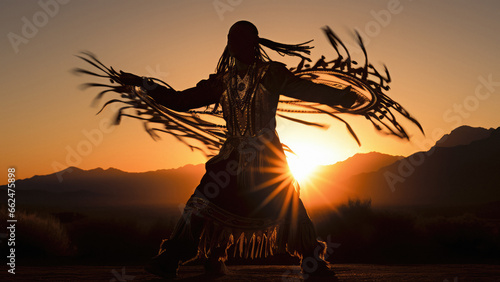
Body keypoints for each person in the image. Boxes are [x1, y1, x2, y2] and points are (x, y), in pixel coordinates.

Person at [119, 20, 357, 278]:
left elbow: (307, 89)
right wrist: (144, 83)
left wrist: (341, 97)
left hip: (267, 159)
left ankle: (313, 265)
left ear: (253, 42)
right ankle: (173, 258)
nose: (235, 43)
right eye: (231, 38)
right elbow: (180, 100)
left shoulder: (272, 74)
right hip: (229, 159)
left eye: (242, 38)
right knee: (201, 203)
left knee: (290, 208)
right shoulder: (221, 82)